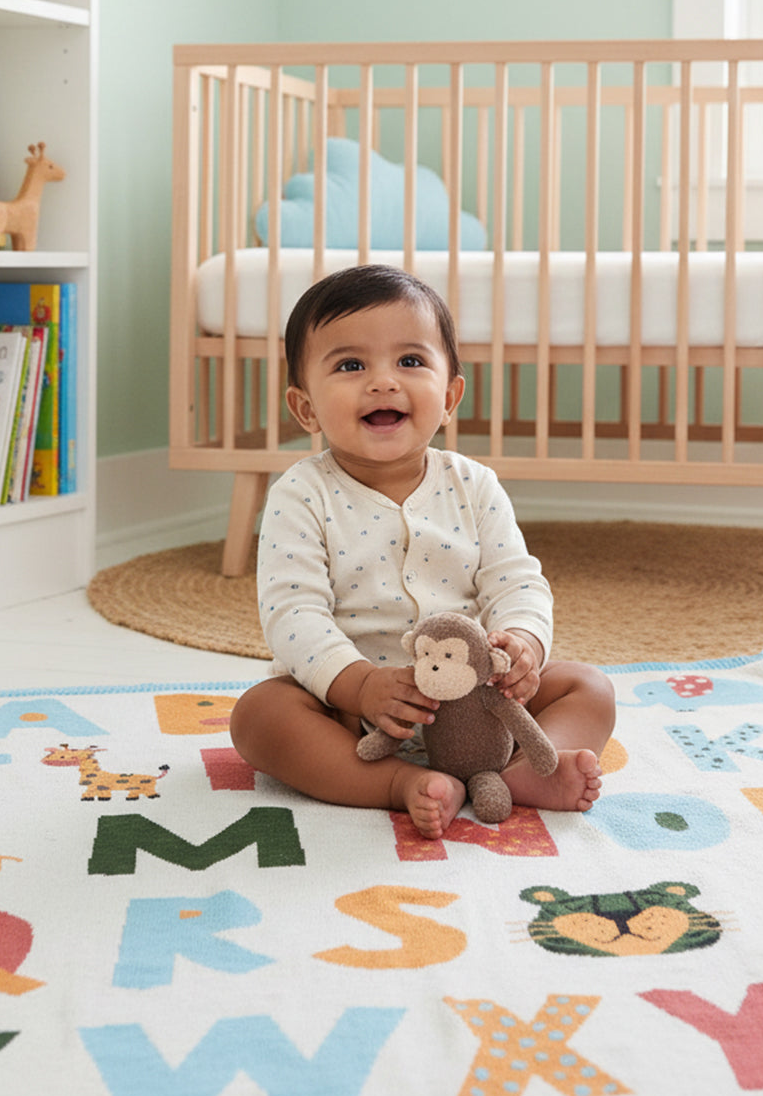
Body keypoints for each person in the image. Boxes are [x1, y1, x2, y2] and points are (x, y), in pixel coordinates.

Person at [229, 264, 616, 840]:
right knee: (259, 716)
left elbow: (518, 581)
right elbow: (293, 614)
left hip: (480, 706)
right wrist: (359, 684)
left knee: (590, 688)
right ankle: (393, 783)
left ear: (451, 395)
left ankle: (524, 770)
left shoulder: (474, 484)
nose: (383, 382)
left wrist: (524, 644)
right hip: (351, 712)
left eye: (410, 362)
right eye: (351, 365)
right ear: (305, 407)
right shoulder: (301, 493)